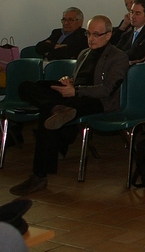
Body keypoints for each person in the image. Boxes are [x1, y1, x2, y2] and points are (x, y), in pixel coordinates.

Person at [10, 15, 128, 196]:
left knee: (46, 112)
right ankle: (56, 107)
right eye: (89, 33)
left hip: (96, 102)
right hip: (73, 96)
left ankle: (39, 176)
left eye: (96, 34)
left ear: (108, 35)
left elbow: (108, 89)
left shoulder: (118, 56)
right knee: (26, 86)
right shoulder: (84, 53)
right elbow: (79, 79)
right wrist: (68, 81)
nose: (91, 38)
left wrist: (76, 91)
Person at [115, 0, 145, 64]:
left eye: (137, 13)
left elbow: (138, 54)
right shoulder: (126, 35)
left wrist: (122, 57)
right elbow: (114, 54)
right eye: (131, 12)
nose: (133, 16)